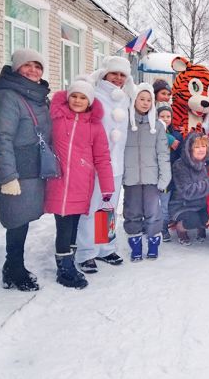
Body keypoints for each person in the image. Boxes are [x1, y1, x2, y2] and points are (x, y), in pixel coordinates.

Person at [0, 49, 51, 291]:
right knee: (16, 220)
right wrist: (7, 176)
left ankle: (13, 265)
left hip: (33, 167)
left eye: (38, 66)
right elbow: (0, 138)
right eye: (28, 65)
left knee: (22, 220)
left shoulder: (37, 95)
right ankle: (14, 269)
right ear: (16, 68)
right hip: (16, 170)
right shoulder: (7, 96)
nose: (33, 70)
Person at [44, 77, 114, 290]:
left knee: (74, 223)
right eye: (74, 96)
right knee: (63, 224)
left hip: (83, 183)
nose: (77, 100)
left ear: (89, 102)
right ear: (67, 97)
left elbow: (102, 157)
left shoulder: (95, 126)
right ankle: (64, 268)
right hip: (59, 181)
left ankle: (70, 261)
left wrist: (107, 186)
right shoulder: (56, 118)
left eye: (82, 97)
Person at [76, 56, 135, 274]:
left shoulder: (127, 98)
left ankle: (105, 248)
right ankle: (86, 252)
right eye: (114, 73)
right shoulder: (94, 95)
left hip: (116, 165)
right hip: (94, 165)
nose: (118, 78)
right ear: (105, 73)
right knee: (91, 209)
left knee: (108, 208)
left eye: (122, 75)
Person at [123, 83, 171, 261]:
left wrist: (164, 178)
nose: (145, 103)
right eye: (141, 99)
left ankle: (153, 243)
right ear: (134, 100)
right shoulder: (125, 123)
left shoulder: (157, 126)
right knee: (132, 212)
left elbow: (163, 153)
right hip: (131, 178)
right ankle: (135, 245)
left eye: (149, 100)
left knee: (153, 212)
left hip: (152, 179)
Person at [169, 133, 209, 245]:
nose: (201, 150)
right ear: (189, 149)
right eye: (196, 147)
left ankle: (200, 227)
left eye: (203, 146)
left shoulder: (207, 163)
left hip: (202, 204)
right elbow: (187, 191)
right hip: (183, 205)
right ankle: (180, 228)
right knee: (193, 220)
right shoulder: (180, 165)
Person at [157, 103, 184, 242]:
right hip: (156, 173)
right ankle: (158, 225)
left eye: (168, 116)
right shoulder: (152, 133)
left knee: (168, 201)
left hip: (172, 174)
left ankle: (167, 224)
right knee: (159, 202)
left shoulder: (177, 135)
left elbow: (180, 155)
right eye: (162, 116)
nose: (165, 118)